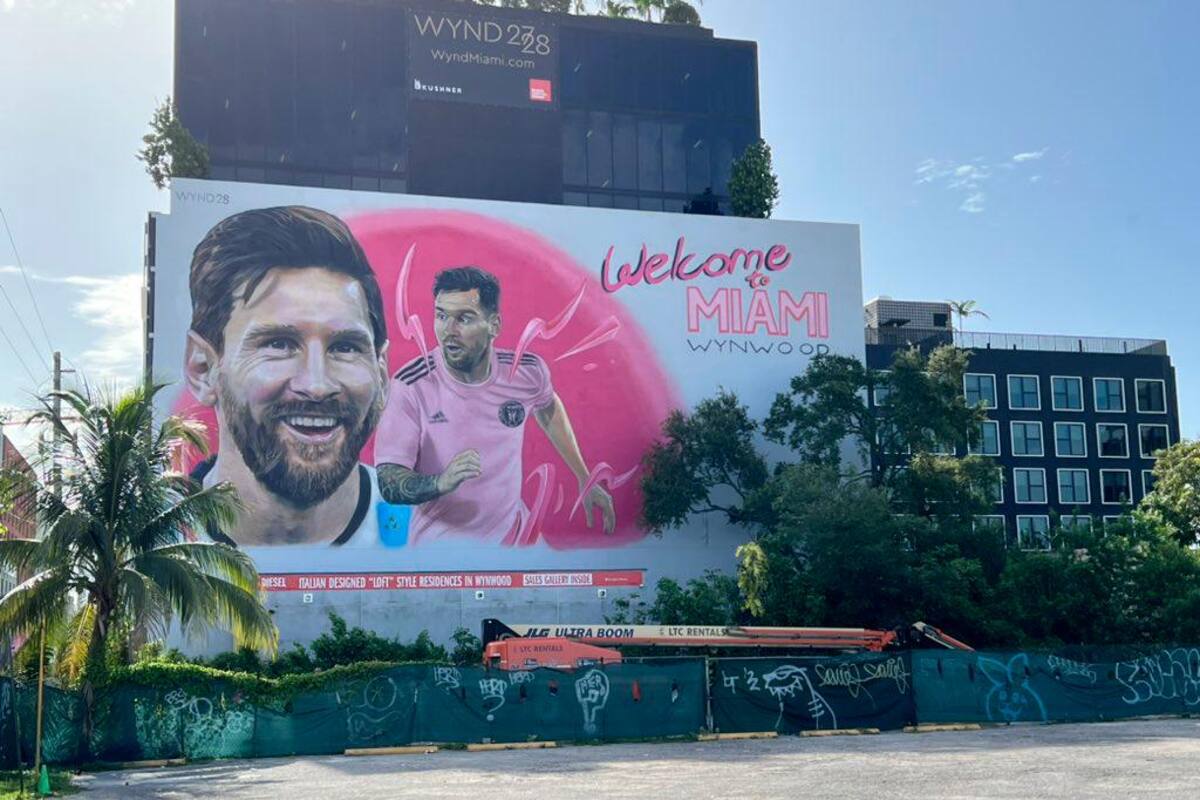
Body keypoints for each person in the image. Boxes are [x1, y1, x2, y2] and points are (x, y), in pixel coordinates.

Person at [184, 206, 389, 547]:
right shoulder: (146, 553)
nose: (317, 385)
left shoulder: (441, 537)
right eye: (279, 344)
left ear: (382, 376)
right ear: (203, 369)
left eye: (345, 347)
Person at [374, 266, 615, 545]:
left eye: (463, 318)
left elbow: (548, 407)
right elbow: (389, 479)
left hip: (517, 536)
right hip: (443, 546)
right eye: (441, 316)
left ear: (494, 326)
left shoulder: (525, 371)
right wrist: (439, 482)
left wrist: (583, 477)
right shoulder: (410, 385)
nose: (448, 331)